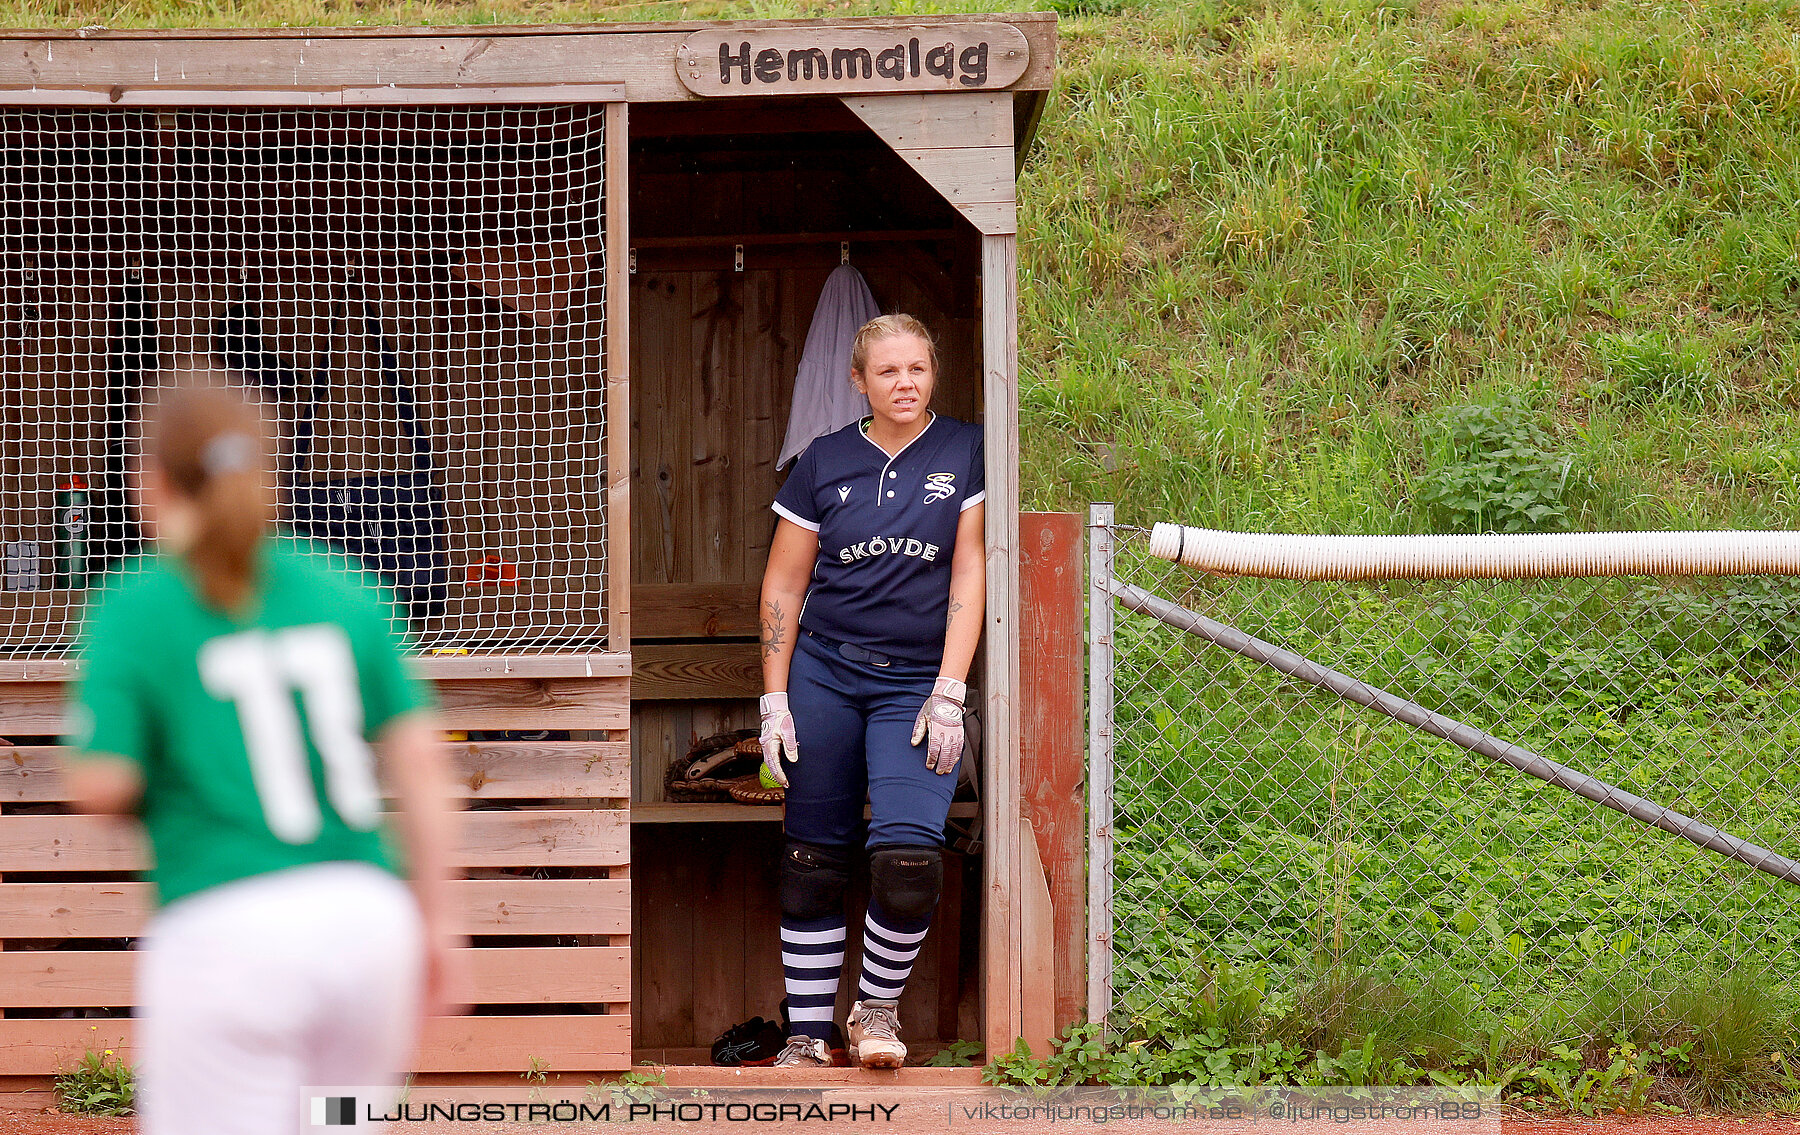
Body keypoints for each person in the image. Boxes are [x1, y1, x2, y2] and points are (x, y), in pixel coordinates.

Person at [62, 378, 463, 1135]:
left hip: (227, 935)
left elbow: (102, 783)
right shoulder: (341, 584)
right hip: (367, 930)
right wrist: (438, 921)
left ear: (150, 479)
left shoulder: (140, 599)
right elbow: (421, 762)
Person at [757, 314, 986, 1070]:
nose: (906, 383)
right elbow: (785, 583)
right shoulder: (824, 461)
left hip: (917, 679)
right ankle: (807, 1032)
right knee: (811, 859)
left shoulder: (967, 448)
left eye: (918, 368)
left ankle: (875, 1012)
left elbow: (970, 567)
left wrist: (950, 687)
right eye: (888, 372)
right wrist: (774, 698)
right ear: (859, 380)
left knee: (907, 861)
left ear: (934, 372)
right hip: (824, 670)